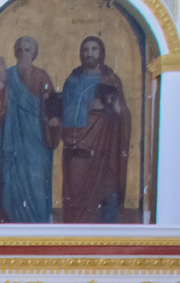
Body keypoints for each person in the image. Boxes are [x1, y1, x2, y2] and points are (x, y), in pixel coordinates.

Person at [0, 37, 58, 223]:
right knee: (11, 182)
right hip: (12, 140)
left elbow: (52, 107)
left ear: (34, 54)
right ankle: (11, 223)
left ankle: (38, 225)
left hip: (37, 143)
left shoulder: (42, 77)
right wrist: (1, 79)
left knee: (37, 183)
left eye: (27, 50)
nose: (23, 54)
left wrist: (53, 119)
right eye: (20, 50)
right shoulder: (8, 75)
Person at [57, 36, 129, 223]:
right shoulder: (73, 80)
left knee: (103, 192)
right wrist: (86, 108)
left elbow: (122, 114)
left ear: (101, 53)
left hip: (104, 148)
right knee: (76, 194)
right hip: (77, 149)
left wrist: (108, 108)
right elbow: (64, 111)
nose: (89, 53)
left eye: (94, 49)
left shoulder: (111, 80)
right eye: (86, 49)